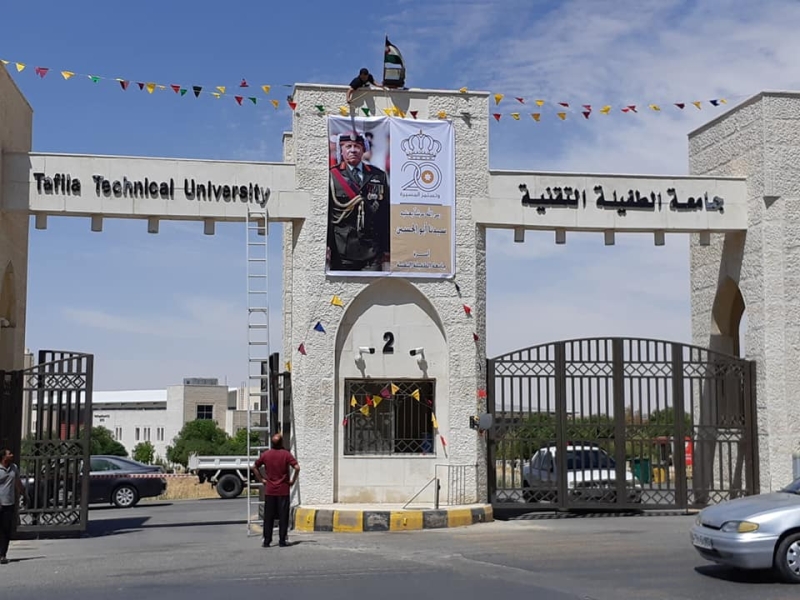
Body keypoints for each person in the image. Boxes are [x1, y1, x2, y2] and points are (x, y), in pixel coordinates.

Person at [327, 132, 390, 272]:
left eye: (357, 146)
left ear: (363, 150)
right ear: (341, 150)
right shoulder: (332, 176)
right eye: (348, 146)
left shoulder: (378, 175)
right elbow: (327, 214)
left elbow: (385, 214)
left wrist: (387, 248)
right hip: (342, 250)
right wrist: (325, 245)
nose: (353, 150)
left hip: (372, 250)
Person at [252, 434, 299, 548]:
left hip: (270, 490)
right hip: (283, 490)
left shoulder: (266, 454)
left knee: (269, 517)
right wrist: (292, 480)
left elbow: (254, 467)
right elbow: (297, 467)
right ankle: (282, 540)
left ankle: (267, 541)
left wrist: (262, 479)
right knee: (283, 516)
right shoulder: (286, 454)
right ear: (282, 442)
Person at [0, 448, 24, 565]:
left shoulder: (14, 468)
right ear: (3, 457)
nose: (12, 455)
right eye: (9, 454)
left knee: (6, 530)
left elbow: (17, 482)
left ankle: (2, 555)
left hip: (9, 504)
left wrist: (24, 494)